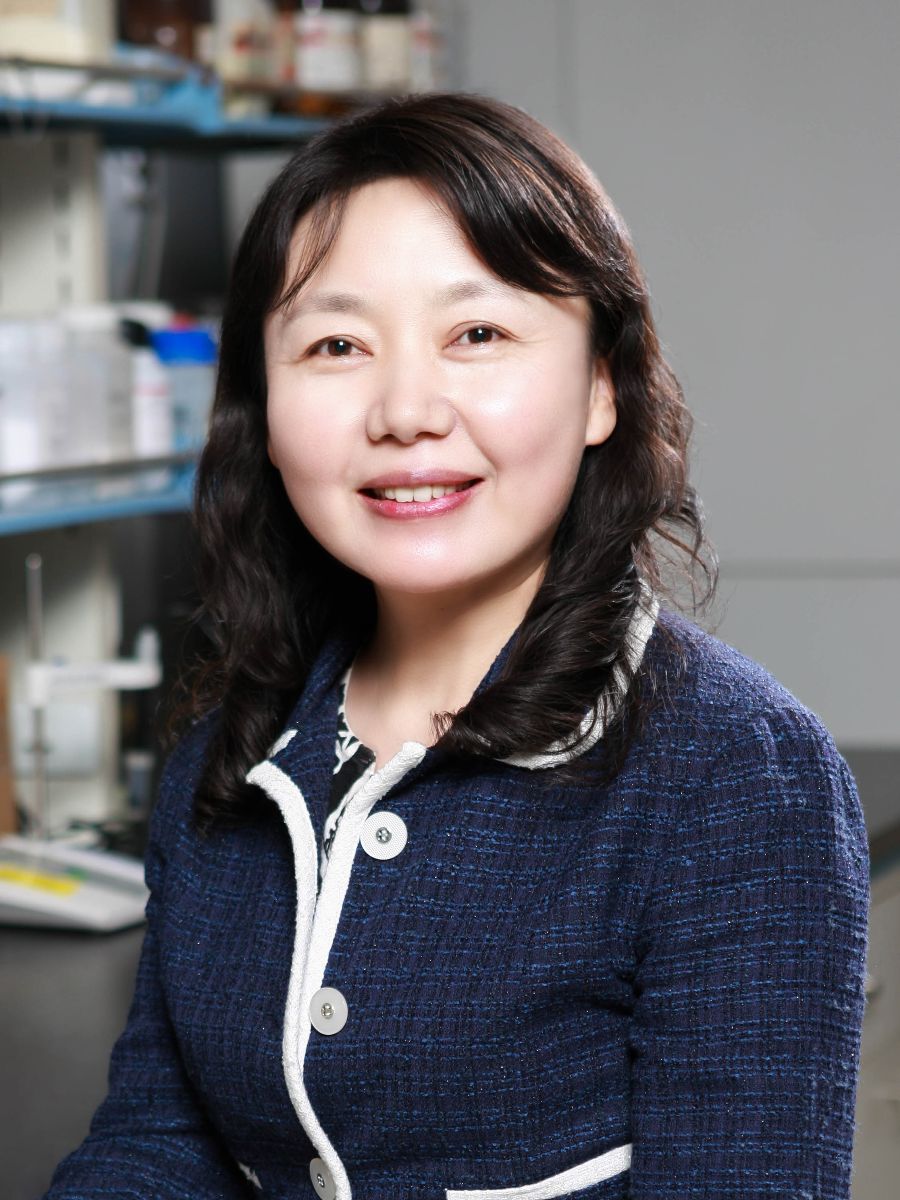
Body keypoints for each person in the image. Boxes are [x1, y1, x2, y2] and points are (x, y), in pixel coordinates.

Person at [45, 92, 869, 1200]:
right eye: (336, 344)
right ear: (263, 413)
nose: (405, 410)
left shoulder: (734, 775)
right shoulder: (228, 754)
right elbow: (159, 1145)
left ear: (601, 385)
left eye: (477, 334)